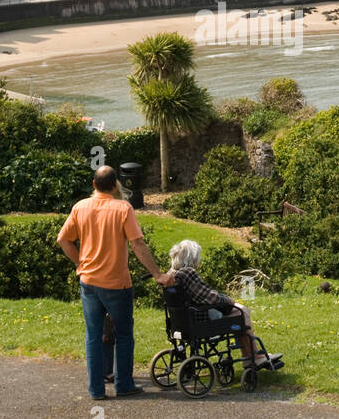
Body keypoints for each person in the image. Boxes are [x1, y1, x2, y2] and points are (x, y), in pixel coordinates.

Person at [57, 166, 173, 400]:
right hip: (116, 284)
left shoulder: (80, 207)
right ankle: (123, 385)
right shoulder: (123, 208)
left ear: (94, 184)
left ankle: (96, 390)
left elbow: (63, 239)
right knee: (123, 334)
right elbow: (137, 245)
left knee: (93, 336)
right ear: (114, 185)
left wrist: (80, 264)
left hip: (89, 282)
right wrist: (158, 275)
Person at [166, 239, 272, 369]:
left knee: (240, 313)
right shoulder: (188, 273)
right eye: (197, 257)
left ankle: (249, 356)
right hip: (201, 320)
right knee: (242, 311)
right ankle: (254, 356)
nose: (198, 261)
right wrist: (229, 300)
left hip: (182, 322)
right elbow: (210, 297)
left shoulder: (170, 275)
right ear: (192, 259)